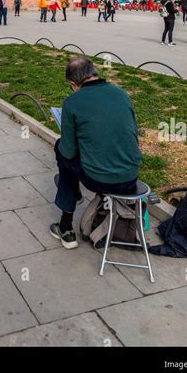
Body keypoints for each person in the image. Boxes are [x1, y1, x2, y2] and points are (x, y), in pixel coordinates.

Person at [50, 56, 142, 248]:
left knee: (61, 150)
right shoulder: (121, 93)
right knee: (70, 156)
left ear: (74, 84)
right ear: (94, 73)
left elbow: (68, 151)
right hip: (131, 175)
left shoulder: (72, 102)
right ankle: (73, 194)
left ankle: (66, 227)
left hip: (100, 179)